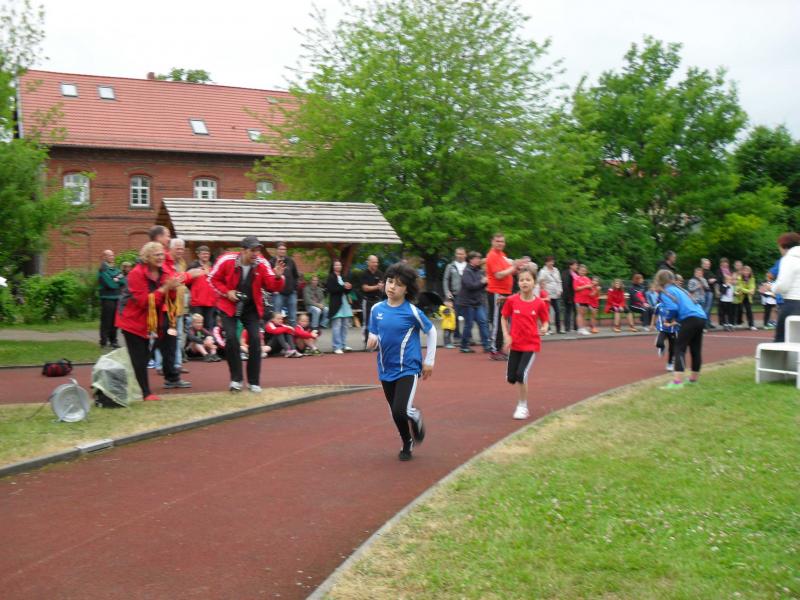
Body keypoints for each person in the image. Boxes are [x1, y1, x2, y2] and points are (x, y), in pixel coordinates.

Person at [366, 262, 437, 461]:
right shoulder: (376, 309)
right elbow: (374, 333)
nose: (392, 287)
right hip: (385, 368)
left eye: (398, 284)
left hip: (408, 367)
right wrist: (372, 340)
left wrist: (429, 361)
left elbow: (431, 331)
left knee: (401, 409)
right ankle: (407, 441)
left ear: (407, 289)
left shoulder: (412, 312)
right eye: (390, 282)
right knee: (395, 413)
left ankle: (415, 415)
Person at [209, 236, 286, 392]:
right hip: (229, 305)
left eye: (258, 250)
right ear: (243, 251)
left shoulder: (262, 263)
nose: (255, 254)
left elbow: (272, 286)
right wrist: (227, 292)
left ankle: (253, 382)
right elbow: (212, 279)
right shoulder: (226, 260)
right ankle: (236, 380)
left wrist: (278, 277)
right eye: (252, 250)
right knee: (231, 338)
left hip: (251, 306)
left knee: (256, 339)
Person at [115, 242, 184, 401]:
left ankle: (127, 384)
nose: (161, 257)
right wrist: (165, 288)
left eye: (162, 254)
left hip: (149, 321)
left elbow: (169, 298)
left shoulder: (163, 271)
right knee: (139, 357)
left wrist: (173, 288)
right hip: (131, 320)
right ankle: (145, 393)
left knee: (145, 355)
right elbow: (144, 302)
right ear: (147, 257)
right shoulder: (136, 273)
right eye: (156, 255)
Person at [500, 269, 549, 420]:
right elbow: (503, 317)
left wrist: (544, 328)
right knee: (511, 378)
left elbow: (545, 321)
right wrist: (506, 335)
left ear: (534, 283)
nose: (524, 282)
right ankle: (513, 375)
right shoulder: (512, 300)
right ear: (518, 283)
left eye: (528, 279)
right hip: (515, 344)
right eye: (521, 280)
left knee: (521, 374)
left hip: (531, 344)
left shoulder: (539, 303)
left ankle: (523, 406)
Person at [654, 269, 707, 389]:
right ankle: (693, 379)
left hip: (689, 318)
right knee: (695, 349)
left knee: (679, 348)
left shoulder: (666, 292)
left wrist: (667, 319)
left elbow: (672, 308)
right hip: (701, 317)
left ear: (660, 281)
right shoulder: (680, 289)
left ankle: (677, 382)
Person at [485, 232, 529, 360]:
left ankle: (500, 349)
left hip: (505, 292)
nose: (500, 243)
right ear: (492, 242)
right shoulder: (492, 255)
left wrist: (517, 267)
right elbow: (498, 275)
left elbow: (509, 271)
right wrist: (514, 266)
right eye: (497, 241)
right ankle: (494, 350)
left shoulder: (502, 255)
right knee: (497, 322)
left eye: (502, 241)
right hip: (496, 292)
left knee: (504, 321)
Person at [764, 232, 800, 342]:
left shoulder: (788, 259)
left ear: (783, 246)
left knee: (781, 340)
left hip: (791, 304)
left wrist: (771, 287)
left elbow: (782, 286)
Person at [456, 251, 491, 353]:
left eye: (479, 258)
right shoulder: (467, 271)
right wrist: (482, 282)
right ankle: (464, 345)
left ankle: (486, 345)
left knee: (483, 322)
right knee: (469, 324)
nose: (479, 260)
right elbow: (470, 286)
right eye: (477, 258)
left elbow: (480, 287)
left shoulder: (479, 271)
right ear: (471, 260)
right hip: (467, 303)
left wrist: (485, 283)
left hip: (477, 302)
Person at [325, 258, 353, 354]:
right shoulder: (331, 277)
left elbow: (346, 291)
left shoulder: (343, 277)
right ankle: (336, 346)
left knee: (345, 325)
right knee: (337, 326)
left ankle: (343, 345)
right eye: (336, 265)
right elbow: (332, 289)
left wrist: (349, 287)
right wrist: (343, 287)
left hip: (345, 304)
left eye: (339, 265)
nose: (338, 266)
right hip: (336, 304)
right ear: (333, 267)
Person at [98, 249, 124, 349]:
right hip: (107, 298)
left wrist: (115, 279)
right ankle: (103, 341)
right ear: (104, 257)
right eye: (109, 255)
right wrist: (116, 279)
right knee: (106, 321)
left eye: (112, 255)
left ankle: (113, 341)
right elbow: (110, 284)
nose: (112, 257)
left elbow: (123, 281)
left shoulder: (115, 268)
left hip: (117, 297)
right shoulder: (103, 269)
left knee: (115, 321)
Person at [270, 242, 300, 326]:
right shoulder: (272, 262)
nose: (282, 251)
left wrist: (294, 288)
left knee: (292, 317)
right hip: (278, 294)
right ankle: (277, 333)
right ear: (276, 250)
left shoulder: (290, 261)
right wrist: (273, 290)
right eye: (280, 249)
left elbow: (296, 276)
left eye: (284, 249)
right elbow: (269, 278)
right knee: (277, 316)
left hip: (291, 293)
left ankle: (292, 333)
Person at [188, 245, 216, 330]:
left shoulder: (213, 267)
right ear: (199, 255)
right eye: (203, 254)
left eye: (207, 254)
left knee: (209, 326)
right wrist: (195, 291)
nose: (206, 255)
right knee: (197, 326)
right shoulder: (193, 266)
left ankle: (208, 339)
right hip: (197, 302)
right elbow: (187, 281)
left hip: (210, 302)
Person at [360, 255, 385, 348]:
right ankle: (367, 343)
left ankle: (377, 343)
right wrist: (377, 287)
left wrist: (382, 287)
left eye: (377, 262)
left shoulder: (380, 273)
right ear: (369, 263)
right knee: (367, 322)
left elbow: (382, 286)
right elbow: (365, 288)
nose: (376, 264)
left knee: (379, 322)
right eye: (374, 262)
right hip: (367, 301)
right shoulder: (364, 274)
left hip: (378, 300)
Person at [442, 248, 467, 338]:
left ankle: (468, 336)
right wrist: (447, 292)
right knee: (455, 315)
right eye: (458, 254)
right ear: (455, 255)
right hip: (455, 294)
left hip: (467, 295)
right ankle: (457, 335)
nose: (460, 256)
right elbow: (445, 279)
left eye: (462, 254)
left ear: (465, 255)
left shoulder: (468, 266)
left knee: (468, 316)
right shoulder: (450, 266)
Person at [652, 291, 678, 371]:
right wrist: (652, 324)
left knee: (672, 349)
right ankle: (662, 347)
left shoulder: (675, 307)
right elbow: (654, 314)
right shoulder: (659, 306)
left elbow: (678, 320)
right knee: (659, 343)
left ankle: (670, 364)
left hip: (673, 330)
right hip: (662, 329)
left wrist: (670, 324)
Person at [538, 256, 563, 334]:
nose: (551, 263)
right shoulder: (543, 271)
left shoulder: (556, 270)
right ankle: (548, 329)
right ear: (546, 263)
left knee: (558, 311)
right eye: (549, 261)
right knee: (546, 312)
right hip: (547, 293)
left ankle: (559, 329)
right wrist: (543, 291)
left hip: (556, 293)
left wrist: (560, 289)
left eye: (552, 261)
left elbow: (559, 281)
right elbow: (540, 281)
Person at [734, 265, 757, 330]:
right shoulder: (739, 278)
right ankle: (739, 323)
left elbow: (752, 286)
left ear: (750, 272)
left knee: (749, 310)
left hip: (748, 297)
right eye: (745, 271)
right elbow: (741, 288)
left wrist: (752, 290)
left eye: (748, 271)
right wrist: (749, 291)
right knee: (740, 310)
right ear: (742, 271)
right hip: (740, 296)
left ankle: (751, 325)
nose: (746, 272)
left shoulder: (752, 279)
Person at [573, 264, 593, 336]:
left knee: (584, 314)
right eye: (581, 270)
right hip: (579, 299)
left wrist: (590, 287)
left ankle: (583, 328)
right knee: (580, 314)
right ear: (578, 271)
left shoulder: (587, 279)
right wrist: (585, 286)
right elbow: (576, 288)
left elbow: (591, 287)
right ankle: (580, 328)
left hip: (586, 299)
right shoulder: (576, 279)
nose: (583, 272)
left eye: (584, 271)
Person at [561, 259, 578, 332]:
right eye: (575, 265)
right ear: (571, 266)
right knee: (568, 311)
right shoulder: (565, 273)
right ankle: (567, 328)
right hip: (568, 296)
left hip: (575, 296)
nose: (577, 266)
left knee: (576, 311)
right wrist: (568, 297)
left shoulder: (576, 273)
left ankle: (576, 327)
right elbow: (565, 286)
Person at [700, 258, 717, 328]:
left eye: (708, 264)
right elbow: (703, 281)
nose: (707, 265)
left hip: (711, 291)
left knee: (709, 309)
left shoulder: (709, 271)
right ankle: (704, 324)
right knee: (706, 308)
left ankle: (708, 322)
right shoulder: (702, 272)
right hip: (706, 292)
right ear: (702, 264)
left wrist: (713, 280)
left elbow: (715, 278)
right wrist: (709, 280)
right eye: (706, 264)